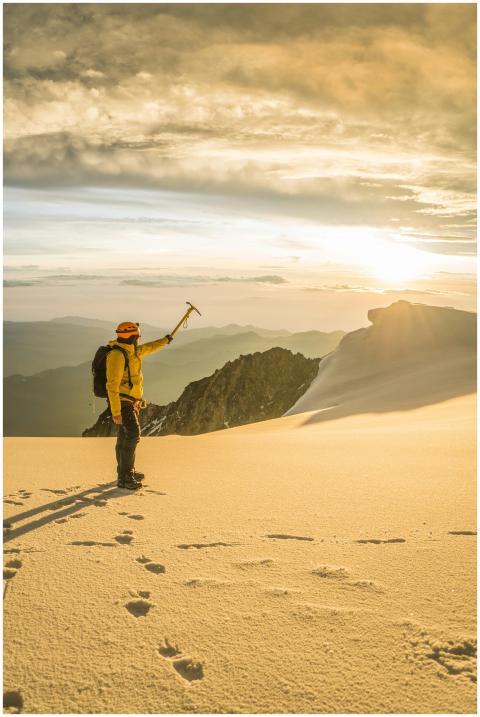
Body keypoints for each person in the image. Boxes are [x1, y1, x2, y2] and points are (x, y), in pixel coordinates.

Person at [106, 321, 173, 490]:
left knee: (124, 436)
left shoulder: (131, 352)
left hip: (130, 400)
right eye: (137, 336)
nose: (139, 339)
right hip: (122, 401)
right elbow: (111, 385)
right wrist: (116, 411)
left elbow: (149, 348)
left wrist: (165, 340)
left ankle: (126, 472)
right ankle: (125, 477)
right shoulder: (117, 355)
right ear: (131, 336)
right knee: (133, 435)